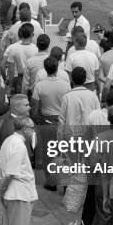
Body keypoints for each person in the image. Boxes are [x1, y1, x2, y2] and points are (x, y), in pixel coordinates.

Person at [0, 116, 40, 225]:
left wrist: (1, 188)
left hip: (11, 193)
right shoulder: (19, 146)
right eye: (32, 128)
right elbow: (11, 173)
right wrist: (0, 189)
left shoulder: (9, 141)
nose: (34, 131)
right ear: (25, 129)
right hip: (19, 194)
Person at [31, 56, 71, 190]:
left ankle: (51, 181)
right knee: (64, 152)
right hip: (62, 121)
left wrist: (37, 120)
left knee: (49, 153)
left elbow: (34, 107)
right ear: (57, 68)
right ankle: (65, 181)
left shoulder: (39, 85)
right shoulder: (65, 85)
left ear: (45, 69)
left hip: (46, 122)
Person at [57, 67, 100, 141]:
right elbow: (98, 118)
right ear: (85, 79)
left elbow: (62, 120)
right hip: (88, 136)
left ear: (71, 79)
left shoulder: (67, 97)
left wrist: (60, 140)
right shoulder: (93, 96)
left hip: (70, 136)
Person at [1, 23, 38, 96]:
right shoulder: (36, 49)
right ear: (31, 35)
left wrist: (10, 86)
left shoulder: (14, 48)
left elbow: (11, 69)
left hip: (19, 79)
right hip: (32, 79)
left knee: (18, 103)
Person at [22, 33, 50, 98]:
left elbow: (25, 84)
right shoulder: (53, 60)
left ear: (37, 45)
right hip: (49, 95)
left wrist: (23, 96)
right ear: (48, 45)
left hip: (33, 95)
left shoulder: (30, 61)